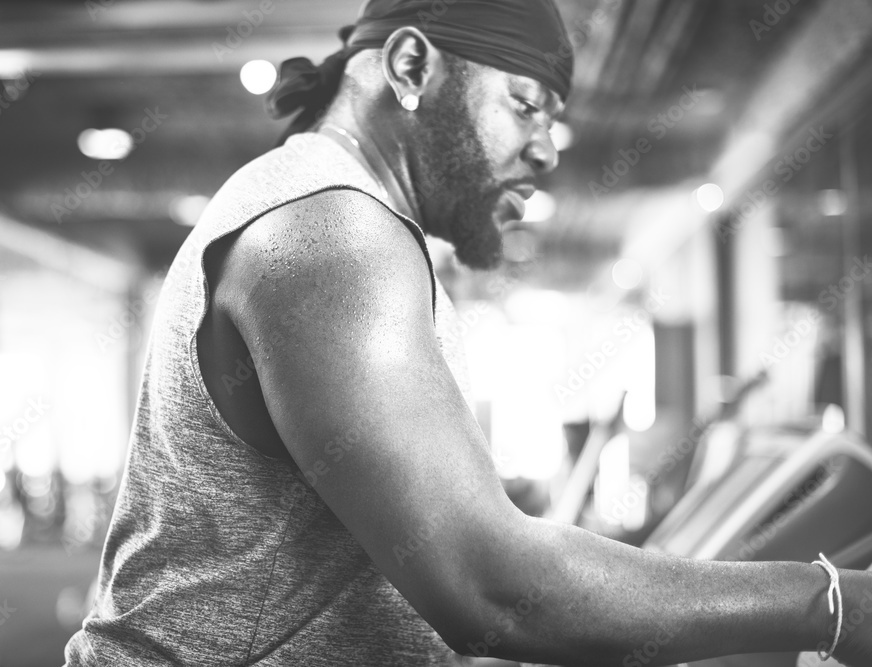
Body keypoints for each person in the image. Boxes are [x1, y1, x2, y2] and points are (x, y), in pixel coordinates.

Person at [64, 0, 872, 665]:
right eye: (526, 104)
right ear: (412, 67)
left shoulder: (330, 214)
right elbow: (489, 587)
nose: (550, 148)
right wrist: (829, 602)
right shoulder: (334, 233)